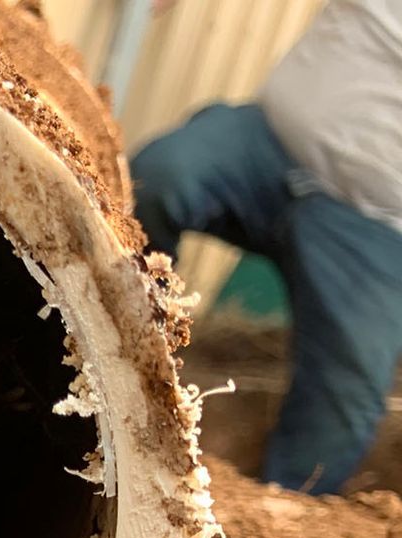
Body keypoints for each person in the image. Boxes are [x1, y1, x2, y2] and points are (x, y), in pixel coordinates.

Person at [130, 0, 402, 494]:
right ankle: (124, 367)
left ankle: (267, 523)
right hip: (267, 146)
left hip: (375, 226)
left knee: (345, 401)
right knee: (156, 182)